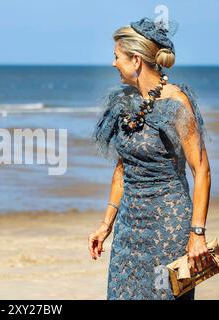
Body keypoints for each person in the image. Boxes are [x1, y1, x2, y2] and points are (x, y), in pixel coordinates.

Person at [87, 17, 212, 300]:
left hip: (167, 227)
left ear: (135, 60)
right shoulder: (124, 103)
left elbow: (201, 169)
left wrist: (197, 233)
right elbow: (123, 168)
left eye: (116, 56)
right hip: (129, 228)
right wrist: (106, 224)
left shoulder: (176, 102)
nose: (113, 63)